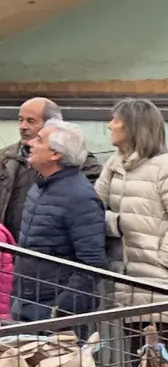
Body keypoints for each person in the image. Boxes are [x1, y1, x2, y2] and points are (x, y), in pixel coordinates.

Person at [96, 97, 168, 303]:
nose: (109, 125)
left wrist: (165, 261)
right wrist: (114, 223)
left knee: (166, 333)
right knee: (134, 333)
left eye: (115, 120)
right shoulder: (114, 163)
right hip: (131, 277)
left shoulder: (166, 166)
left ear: (132, 126)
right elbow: (94, 208)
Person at [13, 120, 107, 322]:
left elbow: (92, 262)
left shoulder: (80, 198)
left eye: (39, 140)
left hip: (53, 308)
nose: (30, 144)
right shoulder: (39, 185)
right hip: (25, 299)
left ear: (56, 154)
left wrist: (63, 308)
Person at [2, 98, 99, 243]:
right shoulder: (5, 156)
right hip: (7, 249)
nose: (23, 126)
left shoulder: (77, 160)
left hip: (47, 249)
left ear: (52, 125)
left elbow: (86, 210)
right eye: (20, 119)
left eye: (31, 121)